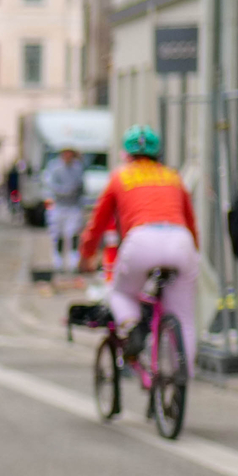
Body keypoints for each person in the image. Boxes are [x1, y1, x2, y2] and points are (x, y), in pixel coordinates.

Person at [79, 125, 199, 373]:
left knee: (119, 293)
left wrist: (86, 255)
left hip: (141, 240)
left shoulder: (120, 177)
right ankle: (181, 374)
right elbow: (191, 221)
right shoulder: (173, 176)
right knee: (184, 315)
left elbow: (97, 223)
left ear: (126, 154)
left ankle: (131, 327)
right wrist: (194, 252)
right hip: (180, 240)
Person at [41, 147, 86, 272]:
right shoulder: (54, 167)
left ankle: (73, 260)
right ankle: (58, 260)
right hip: (59, 206)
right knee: (58, 233)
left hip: (73, 206)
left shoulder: (78, 167)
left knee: (73, 233)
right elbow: (51, 185)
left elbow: (81, 186)